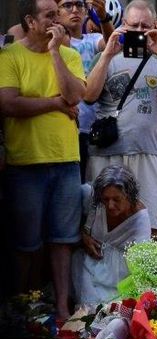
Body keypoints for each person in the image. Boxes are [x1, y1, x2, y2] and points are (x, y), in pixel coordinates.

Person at [0, 0, 86, 320]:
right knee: (25, 244)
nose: (58, 20)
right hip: (26, 163)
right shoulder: (9, 56)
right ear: (30, 21)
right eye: (49, 15)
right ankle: (20, 309)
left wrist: (54, 52)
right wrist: (54, 104)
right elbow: (9, 104)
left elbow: (75, 96)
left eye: (58, 14)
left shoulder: (70, 55)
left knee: (63, 240)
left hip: (66, 160)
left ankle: (62, 308)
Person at [84, 0, 157, 234]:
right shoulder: (107, 55)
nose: (140, 31)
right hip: (106, 156)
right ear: (123, 24)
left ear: (155, 26)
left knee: (150, 227)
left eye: (145, 26)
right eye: (134, 25)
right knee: (102, 229)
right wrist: (106, 56)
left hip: (148, 155)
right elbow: (88, 96)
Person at [72, 165, 150, 305]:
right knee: (87, 311)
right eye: (106, 199)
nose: (110, 205)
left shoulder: (140, 218)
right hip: (89, 267)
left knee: (111, 313)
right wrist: (84, 237)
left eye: (117, 199)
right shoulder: (92, 200)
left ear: (129, 196)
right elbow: (70, 226)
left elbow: (141, 262)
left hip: (120, 279)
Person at [55, 0, 114, 182]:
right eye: (67, 5)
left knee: (92, 186)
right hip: (67, 124)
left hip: (93, 127)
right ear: (56, 11)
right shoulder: (51, 43)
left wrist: (103, 16)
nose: (75, 10)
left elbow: (112, 44)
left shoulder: (93, 40)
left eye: (79, 5)